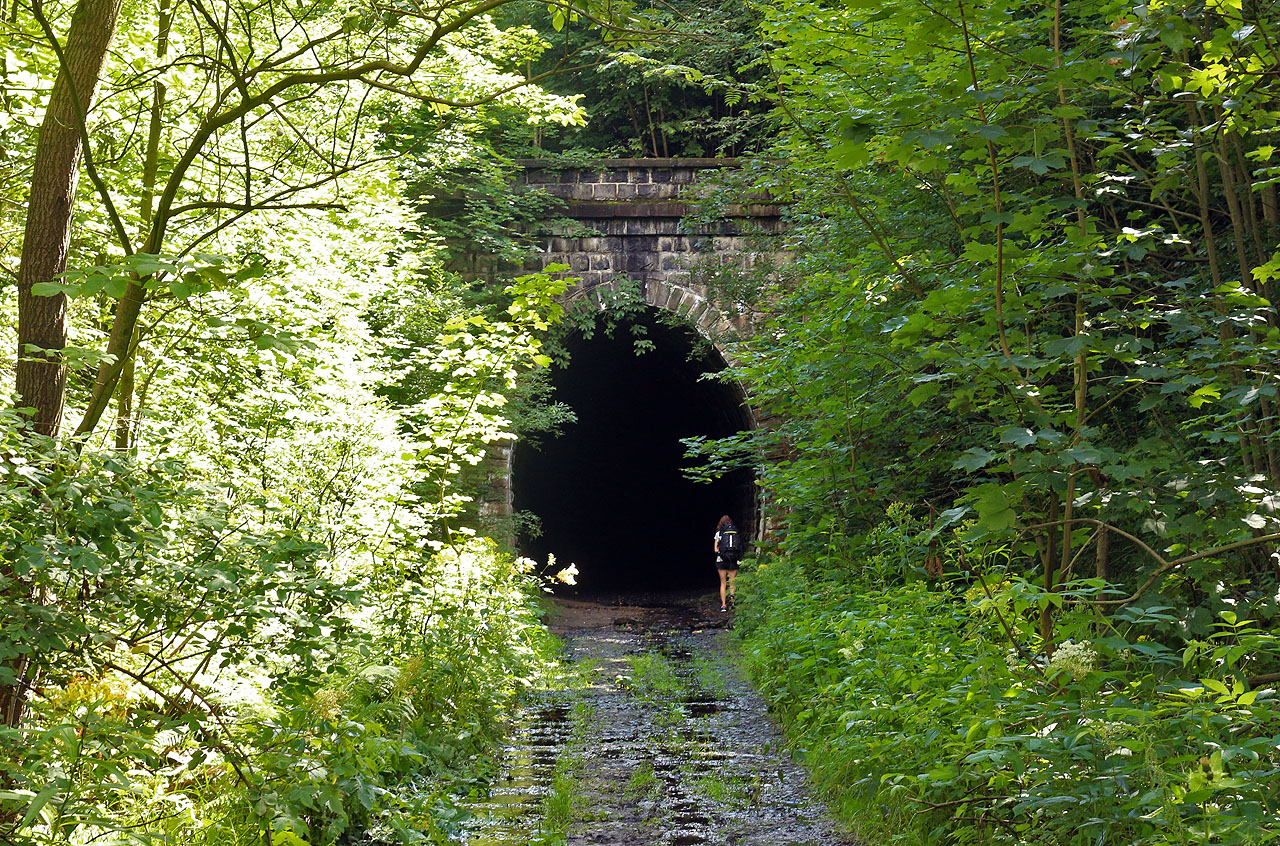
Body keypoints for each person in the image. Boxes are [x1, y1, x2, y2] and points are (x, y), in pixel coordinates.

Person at [713, 515, 741, 612]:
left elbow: (715, 549)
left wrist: (722, 551)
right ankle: (732, 602)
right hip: (733, 560)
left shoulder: (718, 534)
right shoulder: (735, 532)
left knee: (723, 582)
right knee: (732, 582)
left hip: (721, 560)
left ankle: (723, 605)